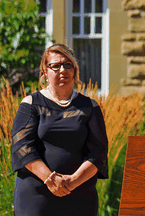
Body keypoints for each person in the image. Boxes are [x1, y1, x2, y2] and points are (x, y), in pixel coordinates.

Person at [11, 43, 108, 215]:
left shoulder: (90, 107)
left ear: (74, 70)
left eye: (67, 64)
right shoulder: (31, 104)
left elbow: (99, 152)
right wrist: (50, 179)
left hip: (80, 197)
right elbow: (22, 148)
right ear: (45, 72)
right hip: (36, 197)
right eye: (55, 66)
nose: (63, 70)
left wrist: (73, 181)